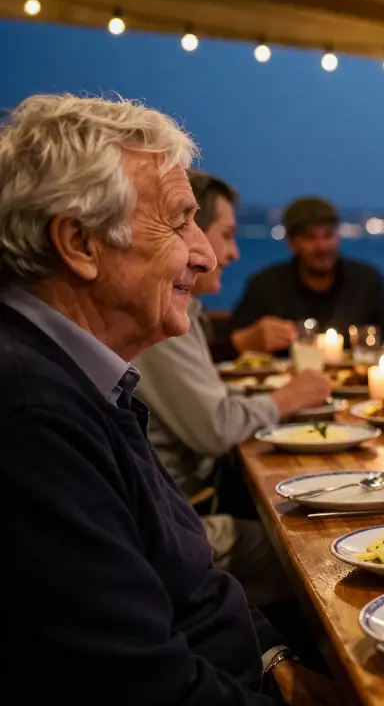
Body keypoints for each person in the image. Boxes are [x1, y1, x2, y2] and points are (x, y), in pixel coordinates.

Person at [0, 95, 336, 702]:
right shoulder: (31, 418)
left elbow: (190, 575)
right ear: (80, 243)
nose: (205, 254)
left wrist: (278, 664)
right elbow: (141, 685)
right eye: (181, 221)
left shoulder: (92, 380)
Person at [132, 170, 332, 606]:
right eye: (226, 234)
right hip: (180, 519)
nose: (229, 253)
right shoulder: (157, 315)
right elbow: (215, 427)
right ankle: (284, 665)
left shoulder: (175, 312)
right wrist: (289, 398)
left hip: (180, 508)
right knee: (313, 548)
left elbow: (215, 406)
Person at [229, 195, 384, 345]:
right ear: (291, 243)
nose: (322, 246)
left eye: (328, 235)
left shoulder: (367, 281)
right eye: (310, 237)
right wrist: (254, 338)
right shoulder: (265, 285)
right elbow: (233, 340)